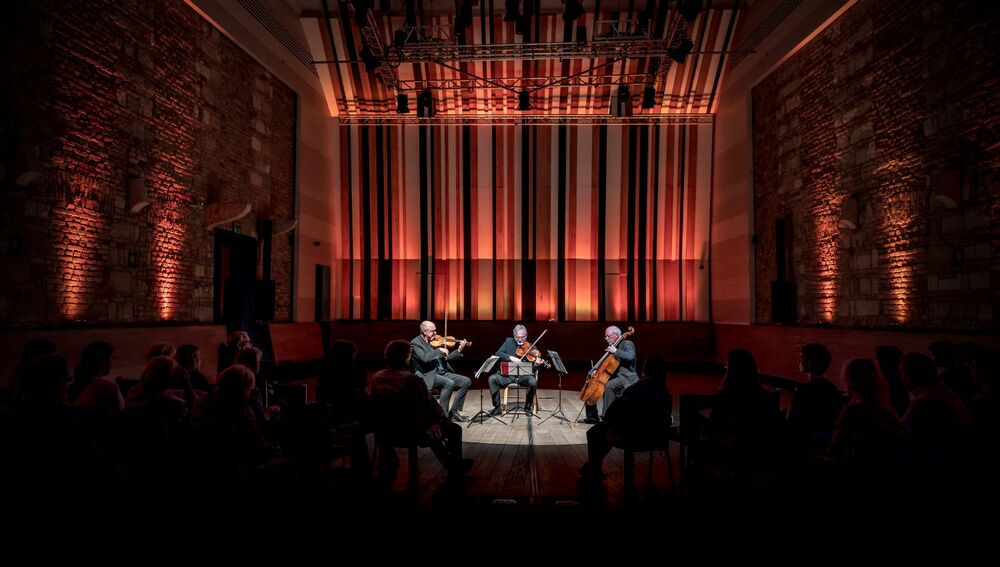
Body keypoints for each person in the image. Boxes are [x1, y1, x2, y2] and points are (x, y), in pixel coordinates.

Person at [369, 340, 473, 481]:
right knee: (453, 429)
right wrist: (441, 418)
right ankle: (454, 467)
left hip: (384, 432)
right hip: (411, 432)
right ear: (406, 357)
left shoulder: (376, 377)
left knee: (431, 427)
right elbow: (429, 405)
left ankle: (453, 466)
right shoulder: (411, 379)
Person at [579, 356, 673, 481]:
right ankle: (593, 467)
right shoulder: (665, 391)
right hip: (658, 438)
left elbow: (614, 412)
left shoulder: (635, 389)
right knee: (607, 430)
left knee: (595, 432)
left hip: (635, 437)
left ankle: (594, 468)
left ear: (644, 370)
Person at [409, 320, 472, 421]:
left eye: (435, 331)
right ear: (425, 332)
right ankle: (443, 416)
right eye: (432, 331)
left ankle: (454, 412)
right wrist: (438, 351)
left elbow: (446, 358)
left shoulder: (431, 342)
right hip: (428, 374)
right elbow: (424, 358)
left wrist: (459, 350)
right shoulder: (415, 343)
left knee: (466, 381)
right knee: (449, 383)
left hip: (441, 372)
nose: (435, 333)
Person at [579, 325, 638, 424]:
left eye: (608, 336)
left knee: (609, 385)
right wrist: (597, 370)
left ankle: (607, 419)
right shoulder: (613, 346)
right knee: (592, 383)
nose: (606, 339)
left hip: (626, 377)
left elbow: (631, 356)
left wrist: (616, 351)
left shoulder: (627, 343)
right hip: (614, 376)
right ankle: (592, 417)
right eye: (605, 337)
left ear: (616, 335)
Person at [486, 324, 541, 416]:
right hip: (508, 376)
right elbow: (498, 353)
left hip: (524, 376)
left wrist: (536, 364)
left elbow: (532, 370)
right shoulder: (508, 342)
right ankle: (497, 407)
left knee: (533, 381)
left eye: (522, 337)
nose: (520, 339)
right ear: (514, 335)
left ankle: (527, 408)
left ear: (526, 335)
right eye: (517, 337)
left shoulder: (532, 347)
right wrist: (510, 357)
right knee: (492, 379)